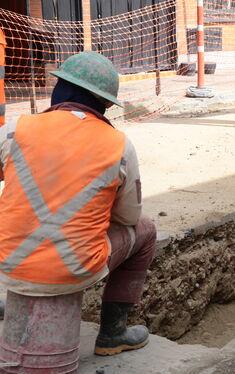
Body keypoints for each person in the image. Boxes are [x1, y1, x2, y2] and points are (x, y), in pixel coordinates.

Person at [0, 51, 156, 356]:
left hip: (9, 264)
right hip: (76, 268)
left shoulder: (14, 130)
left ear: (58, 88)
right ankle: (113, 333)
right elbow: (128, 217)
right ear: (107, 103)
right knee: (146, 231)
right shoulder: (119, 145)